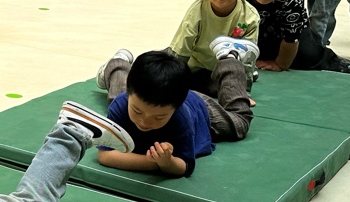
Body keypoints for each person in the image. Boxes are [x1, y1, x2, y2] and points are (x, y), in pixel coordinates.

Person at [94, 49, 251, 177]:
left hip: (199, 106)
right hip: (148, 99)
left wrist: (167, 162)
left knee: (239, 124)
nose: (144, 122)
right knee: (116, 98)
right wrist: (156, 163)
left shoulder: (181, 118)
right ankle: (118, 62)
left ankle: (229, 60)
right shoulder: (123, 103)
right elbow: (105, 156)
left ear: (175, 109)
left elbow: (183, 166)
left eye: (159, 117)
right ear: (129, 95)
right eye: (137, 111)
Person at [168, 0, 260, 94]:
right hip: (196, 68)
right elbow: (180, 53)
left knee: (224, 86)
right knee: (158, 63)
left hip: (226, 69)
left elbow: (248, 59)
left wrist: (244, 91)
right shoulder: (197, 12)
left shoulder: (249, 17)